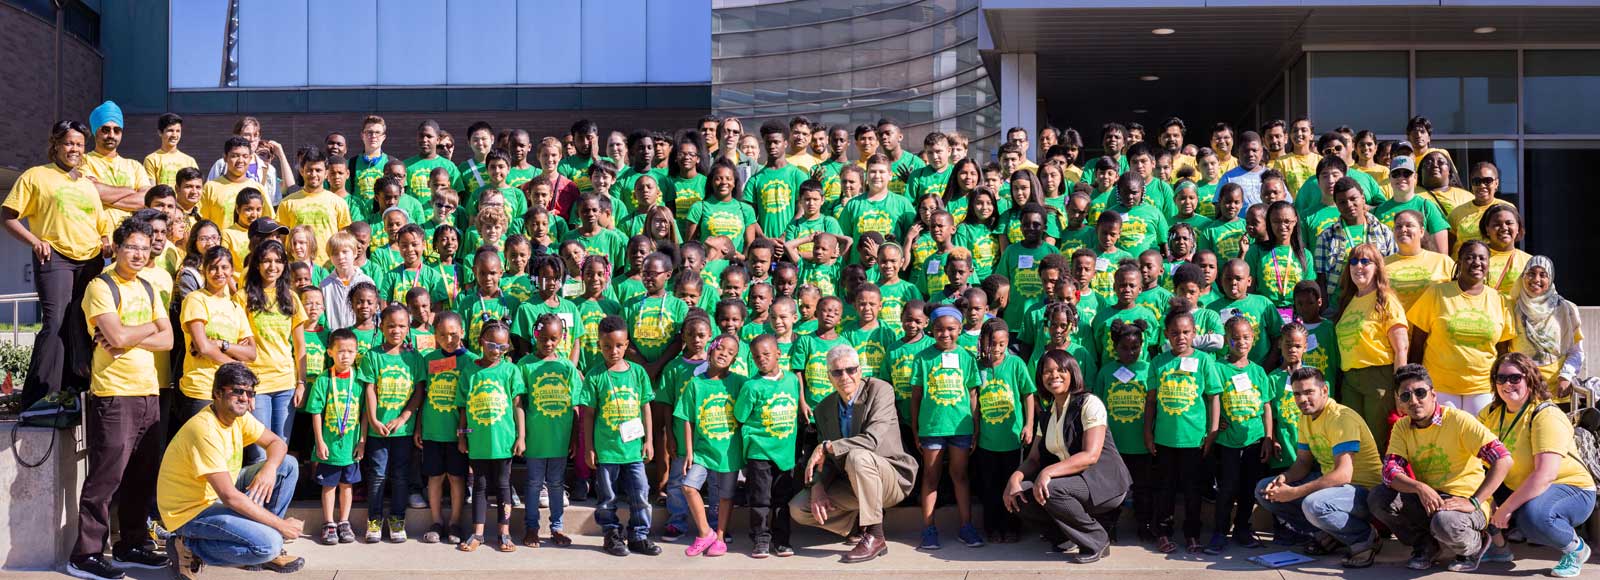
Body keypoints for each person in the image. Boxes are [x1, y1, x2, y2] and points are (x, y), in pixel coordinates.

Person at [68, 217, 174, 580]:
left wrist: (128, 336)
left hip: (148, 391)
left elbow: (168, 339)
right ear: (116, 247)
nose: (139, 254)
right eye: (132, 247)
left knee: (141, 477)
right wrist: (137, 332)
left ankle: (131, 545)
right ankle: (86, 554)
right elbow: (112, 333)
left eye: (145, 248)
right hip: (114, 394)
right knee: (105, 478)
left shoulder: (147, 287)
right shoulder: (101, 286)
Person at [158, 362, 304, 578]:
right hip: (190, 511)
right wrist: (281, 526)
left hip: (217, 495)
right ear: (217, 393)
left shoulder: (239, 417)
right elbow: (230, 497)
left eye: (250, 392)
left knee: (286, 465)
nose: (245, 397)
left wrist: (269, 469)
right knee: (268, 546)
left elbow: (277, 444)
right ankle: (187, 545)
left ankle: (266, 535)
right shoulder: (205, 429)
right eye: (237, 391)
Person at [2, 120, 108, 408]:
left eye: (79, 144)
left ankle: (75, 391)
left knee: (82, 323)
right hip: (56, 257)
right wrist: (35, 241)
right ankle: (38, 397)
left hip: (90, 259)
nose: (74, 148)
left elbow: (100, 224)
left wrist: (107, 238)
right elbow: (8, 216)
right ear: (56, 145)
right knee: (56, 323)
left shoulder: (86, 183)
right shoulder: (36, 176)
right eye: (69, 143)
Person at [1369, 363, 1512, 572]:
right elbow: (1390, 471)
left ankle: (1474, 546)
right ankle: (1426, 546)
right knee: (1378, 498)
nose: (1414, 401)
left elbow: (1503, 458)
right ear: (1399, 400)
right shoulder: (1402, 426)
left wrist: (1475, 501)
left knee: (1445, 522)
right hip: (1431, 499)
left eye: (1420, 393)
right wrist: (1420, 487)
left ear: (1433, 394)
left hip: (1465, 500)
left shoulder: (1458, 420)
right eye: (1406, 396)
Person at [790, 344, 916, 563]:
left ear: (860, 371)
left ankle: (875, 536)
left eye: (851, 370)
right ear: (829, 377)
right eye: (837, 372)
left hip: (890, 478)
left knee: (858, 456)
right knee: (799, 508)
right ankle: (857, 523)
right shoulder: (823, 409)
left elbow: (872, 440)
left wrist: (828, 446)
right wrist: (818, 486)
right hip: (851, 483)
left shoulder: (880, 390)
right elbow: (824, 460)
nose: (845, 376)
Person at [1004, 349, 1130, 564]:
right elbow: (1033, 458)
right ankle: (1066, 536)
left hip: (1104, 483)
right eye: (1047, 371)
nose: (1053, 375)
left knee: (1050, 488)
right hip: (1073, 484)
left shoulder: (1089, 403)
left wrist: (1048, 472)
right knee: (1020, 496)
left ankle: (1097, 540)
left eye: (1061, 370)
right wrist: (1014, 479)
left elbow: (1090, 455)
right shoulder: (1047, 415)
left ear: (1072, 373)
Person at [1477, 352, 1595, 577]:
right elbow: (1472, 454)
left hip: (1571, 489)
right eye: (1500, 378)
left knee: (1533, 517)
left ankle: (1575, 548)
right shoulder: (1492, 412)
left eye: (1514, 378)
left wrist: (1507, 508)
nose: (1507, 384)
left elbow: (1545, 475)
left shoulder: (1545, 414)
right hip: (1521, 485)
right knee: (1472, 490)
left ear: (1529, 379)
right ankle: (1499, 548)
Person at [1254, 367, 1384, 568]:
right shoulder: (1306, 417)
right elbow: (1303, 464)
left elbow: (1343, 475)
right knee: (1265, 490)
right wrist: (1285, 479)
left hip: (1364, 492)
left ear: (1324, 391)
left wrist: (1294, 492)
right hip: (1335, 489)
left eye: (1308, 392)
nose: (1302, 399)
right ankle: (1328, 535)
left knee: (1314, 504)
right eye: (1297, 394)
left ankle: (1364, 539)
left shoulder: (1341, 418)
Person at [580, 315, 662, 557]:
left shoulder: (637, 373)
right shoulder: (595, 376)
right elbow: (588, 415)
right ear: (599, 345)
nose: (613, 351)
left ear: (627, 344)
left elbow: (646, 407)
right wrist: (589, 448)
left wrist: (649, 440)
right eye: (606, 346)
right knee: (608, 496)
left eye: (618, 345)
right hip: (607, 449)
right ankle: (611, 535)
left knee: (641, 493)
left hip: (633, 449)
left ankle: (639, 535)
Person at [1406, 240, 1516, 414]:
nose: (1477, 262)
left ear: (1489, 264)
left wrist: (1504, 384)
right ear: (1459, 262)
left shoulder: (1500, 300)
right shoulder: (1437, 293)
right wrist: (1413, 380)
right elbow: (1418, 343)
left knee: (1481, 440)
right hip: (1440, 386)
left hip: (1483, 387)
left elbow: (1503, 350)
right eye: (1470, 257)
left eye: (1482, 258)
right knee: (1444, 439)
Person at [1332, 243, 1409, 446]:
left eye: (1366, 261)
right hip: (1351, 379)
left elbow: (1401, 348)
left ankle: (1383, 479)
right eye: (1354, 261)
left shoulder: (1386, 300)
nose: (1359, 266)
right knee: (1354, 439)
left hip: (1379, 379)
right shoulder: (1348, 300)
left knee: (1378, 440)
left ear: (1377, 267)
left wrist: (1400, 388)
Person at [736, 334, 802, 558]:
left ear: (778, 354)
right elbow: (740, 415)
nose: (761, 359)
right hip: (760, 451)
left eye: (766, 354)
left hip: (784, 453)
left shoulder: (792, 380)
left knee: (782, 499)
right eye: (756, 357)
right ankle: (761, 539)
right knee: (761, 498)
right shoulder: (751, 386)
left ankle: (782, 541)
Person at [306, 329, 363, 546]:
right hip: (329, 446)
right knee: (329, 486)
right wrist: (319, 441)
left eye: (350, 351)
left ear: (356, 353)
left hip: (350, 446)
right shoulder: (323, 379)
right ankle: (329, 523)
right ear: (330, 352)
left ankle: (344, 522)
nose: (345, 356)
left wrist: (362, 441)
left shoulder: (359, 379)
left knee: (347, 485)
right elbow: (315, 412)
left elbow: (365, 415)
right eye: (340, 351)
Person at [1510, 256, 1585, 400]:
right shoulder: (1513, 308)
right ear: (1523, 276)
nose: (1536, 279)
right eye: (1531, 273)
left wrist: (1565, 377)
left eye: (1543, 275)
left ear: (1550, 279)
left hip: (1557, 391)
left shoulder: (1566, 309)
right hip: (1521, 390)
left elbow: (1576, 351)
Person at [143, 112, 199, 187]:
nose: (174, 135)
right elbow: (151, 190)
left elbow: (196, 187)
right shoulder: (151, 159)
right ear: (160, 132)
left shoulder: (190, 161)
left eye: (178, 131)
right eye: (170, 130)